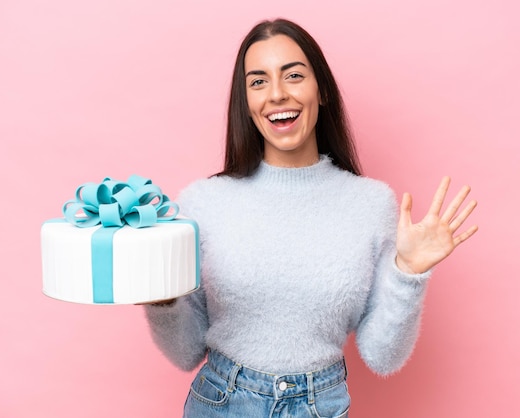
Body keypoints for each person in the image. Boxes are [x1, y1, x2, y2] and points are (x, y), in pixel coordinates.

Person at [144, 18, 478, 417]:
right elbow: (186, 352)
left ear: (321, 91)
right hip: (221, 402)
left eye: (294, 75)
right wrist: (159, 296)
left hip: (320, 405)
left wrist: (409, 273)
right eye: (258, 82)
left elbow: (382, 357)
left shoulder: (371, 205)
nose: (277, 94)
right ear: (246, 103)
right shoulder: (203, 202)